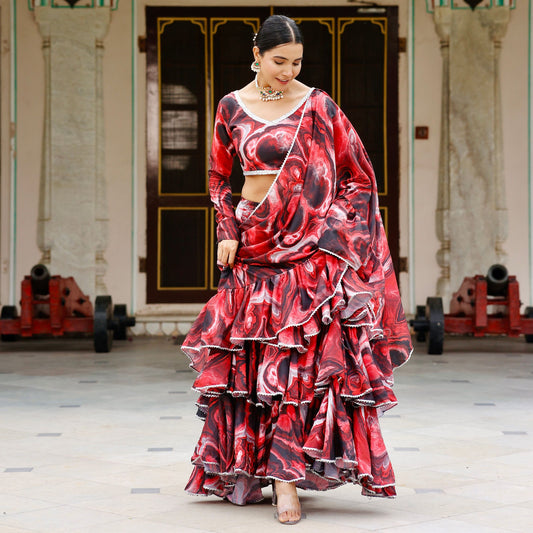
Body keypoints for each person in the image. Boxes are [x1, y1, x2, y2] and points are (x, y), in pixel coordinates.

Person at [181, 14, 412, 525]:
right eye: (279, 61)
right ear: (257, 55)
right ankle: (250, 468)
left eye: (297, 63)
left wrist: (331, 224)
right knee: (251, 363)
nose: (288, 71)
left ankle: (288, 483)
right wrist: (226, 230)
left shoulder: (318, 106)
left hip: (307, 249)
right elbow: (220, 178)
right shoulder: (230, 107)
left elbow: (358, 175)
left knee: (295, 366)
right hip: (253, 246)